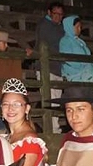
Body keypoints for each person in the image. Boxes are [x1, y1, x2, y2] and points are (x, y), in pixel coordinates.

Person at [0, 78, 49, 166]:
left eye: (17, 104)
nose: (10, 109)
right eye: (6, 104)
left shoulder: (30, 142)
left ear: (26, 109)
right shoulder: (5, 138)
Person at [26, 1, 65, 134]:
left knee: (56, 99)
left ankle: (54, 127)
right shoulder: (45, 26)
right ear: (49, 13)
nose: (58, 17)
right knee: (50, 98)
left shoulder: (60, 27)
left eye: (60, 14)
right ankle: (53, 129)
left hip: (58, 67)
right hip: (46, 66)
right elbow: (48, 44)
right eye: (55, 14)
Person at [59, 16, 93, 83]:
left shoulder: (80, 42)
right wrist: (82, 64)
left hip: (87, 76)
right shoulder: (65, 41)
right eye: (77, 27)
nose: (79, 29)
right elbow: (68, 59)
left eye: (80, 27)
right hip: (75, 76)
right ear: (70, 27)